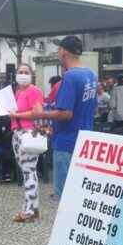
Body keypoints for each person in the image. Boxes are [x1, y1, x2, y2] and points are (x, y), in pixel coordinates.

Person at [37, 36, 97, 199]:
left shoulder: (70, 77)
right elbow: (92, 108)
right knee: (80, 194)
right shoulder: (91, 75)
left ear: (63, 52)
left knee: (64, 197)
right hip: (85, 141)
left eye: (58, 50)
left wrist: (41, 113)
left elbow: (65, 113)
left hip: (66, 143)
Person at [9, 64, 44, 222]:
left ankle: (29, 211)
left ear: (32, 75)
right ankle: (32, 208)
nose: (22, 75)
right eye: (20, 72)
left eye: (26, 72)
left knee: (29, 171)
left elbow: (37, 112)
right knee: (27, 171)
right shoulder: (18, 92)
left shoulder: (34, 91)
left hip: (28, 133)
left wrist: (17, 114)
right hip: (18, 133)